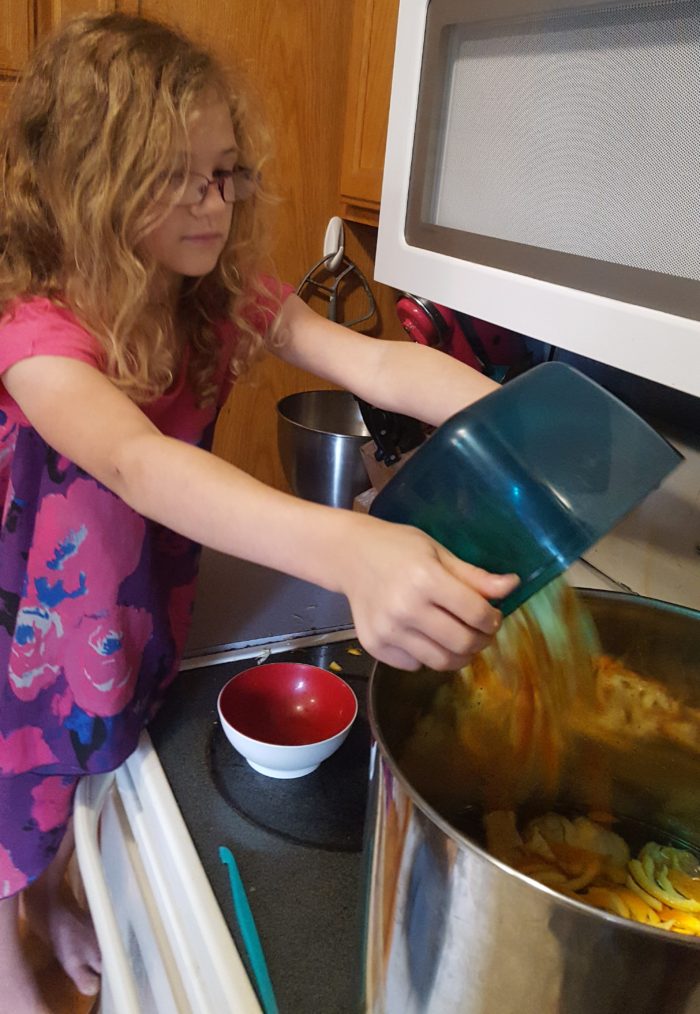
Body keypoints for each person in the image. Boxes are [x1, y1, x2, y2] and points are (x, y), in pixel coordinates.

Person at [0, 12, 518, 1012]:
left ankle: (54, 893)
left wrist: (523, 423)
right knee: (12, 780)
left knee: (89, 754)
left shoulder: (217, 295)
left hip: (128, 600)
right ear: (89, 185)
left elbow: (369, 360)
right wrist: (351, 550)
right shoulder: (35, 329)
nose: (214, 204)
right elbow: (141, 464)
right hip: (21, 603)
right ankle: (10, 956)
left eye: (225, 172)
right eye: (176, 177)